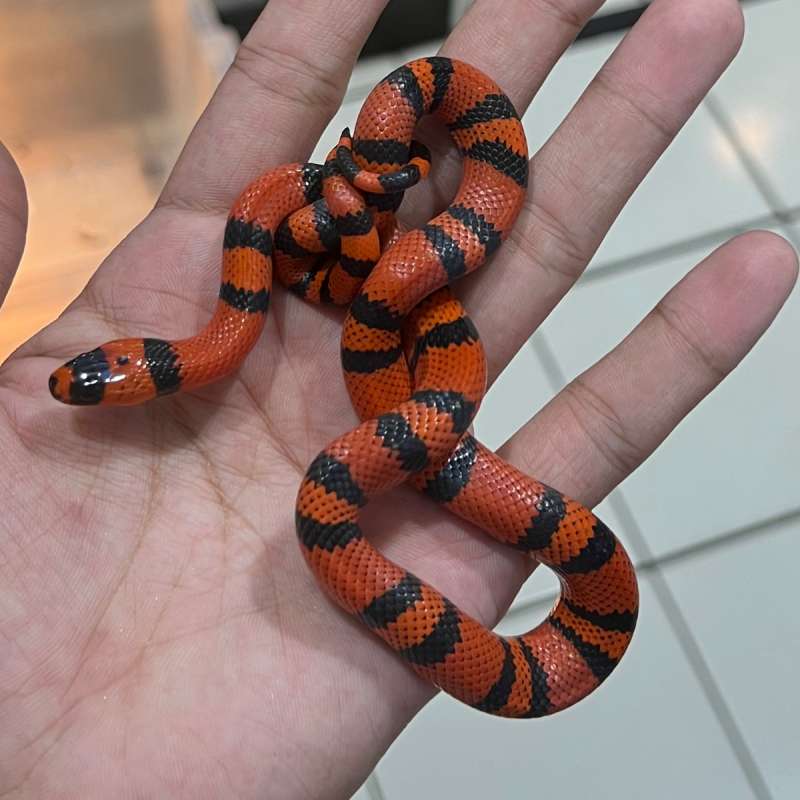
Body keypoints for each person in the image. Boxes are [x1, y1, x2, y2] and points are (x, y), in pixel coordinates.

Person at [0, 0, 796, 797]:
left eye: (98, 371)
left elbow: (357, 214)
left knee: (354, 425)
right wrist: (354, 233)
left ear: (136, 358)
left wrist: (358, 232)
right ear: (141, 368)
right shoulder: (259, 272)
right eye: (101, 382)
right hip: (377, 297)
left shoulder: (267, 228)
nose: (90, 376)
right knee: (366, 405)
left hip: (374, 263)